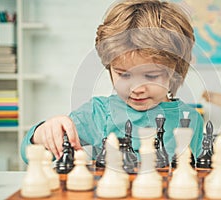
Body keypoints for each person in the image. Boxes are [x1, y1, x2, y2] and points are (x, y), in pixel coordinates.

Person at [20, 0, 204, 163]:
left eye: (151, 76)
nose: (136, 88)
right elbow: (29, 155)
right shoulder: (95, 114)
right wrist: (42, 133)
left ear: (175, 71)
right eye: (124, 74)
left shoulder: (191, 119)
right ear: (110, 68)